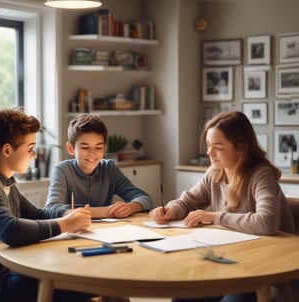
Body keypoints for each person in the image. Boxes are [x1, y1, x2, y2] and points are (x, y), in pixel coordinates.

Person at [149, 111, 295, 302]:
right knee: (182, 298)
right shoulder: (216, 173)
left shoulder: (261, 175)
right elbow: (187, 201)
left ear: (240, 149)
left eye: (218, 147)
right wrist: (170, 210)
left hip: (265, 274)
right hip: (231, 265)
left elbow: (266, 222)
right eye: (209, 145)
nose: (209, 153)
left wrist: (216, 217)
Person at [0, 107, 92, 302]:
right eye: (30, 148)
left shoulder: (4, 181)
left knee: (84, 280)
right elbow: (10, 230)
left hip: (4, 276)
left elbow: (38, 214)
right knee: (77, 284)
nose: (33, 155)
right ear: (7, 150)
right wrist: (66, 224)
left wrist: (68, 213)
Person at [45, 113, 153, 219]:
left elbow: (145, 199)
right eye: (85, 147)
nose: (92, 153)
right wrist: (107, 211)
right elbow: (51, 208)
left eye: (98, 147)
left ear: (104, 147)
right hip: (73, 231)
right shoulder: (62, 170)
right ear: (71, 148)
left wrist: (130, 207)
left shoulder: (109, 168)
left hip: (104, 232)